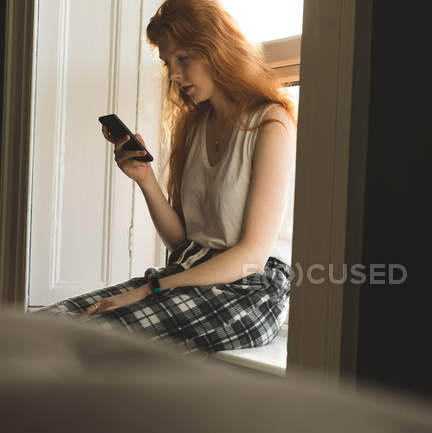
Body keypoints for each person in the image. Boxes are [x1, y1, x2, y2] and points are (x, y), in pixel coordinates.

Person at [30, 0, 297, 360]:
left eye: (183, 58)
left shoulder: (270, 122)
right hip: (189, 272)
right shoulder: (195, 127)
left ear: (217, 49)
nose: (173, 74)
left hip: (250, 291)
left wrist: (147, 290)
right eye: (168, 62)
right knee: (42, 327)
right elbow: (183, 242)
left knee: (84, 339)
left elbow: (251, 256)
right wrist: (145, 179)